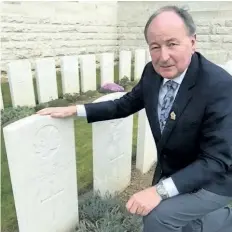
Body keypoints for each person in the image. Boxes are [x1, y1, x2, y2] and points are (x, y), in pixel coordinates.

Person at [37, 5, 232, 232]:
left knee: (158, 218)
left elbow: (216, 161)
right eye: (155, 47)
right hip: (175, 169)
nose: (163, 56)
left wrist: (158, 191)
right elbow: (125, 104)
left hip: (215, 180)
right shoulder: (152, 73)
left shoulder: (219, 86)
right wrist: (77, 109)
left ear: (193, 41)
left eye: (172, 44)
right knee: (183, 221)